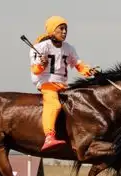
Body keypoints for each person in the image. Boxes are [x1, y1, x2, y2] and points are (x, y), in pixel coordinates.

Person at [30, 16, 98, 151]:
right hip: (47, 83)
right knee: (54, 105)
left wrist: (88, 70)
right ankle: (49, 136)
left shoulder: (69, 48)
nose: (64, 32)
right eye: (61, 29)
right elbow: (35, 70)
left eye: (66, 29)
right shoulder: (41, 47)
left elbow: (78, 65)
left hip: (63, 85)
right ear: (51, 30)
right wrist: (42, 64)